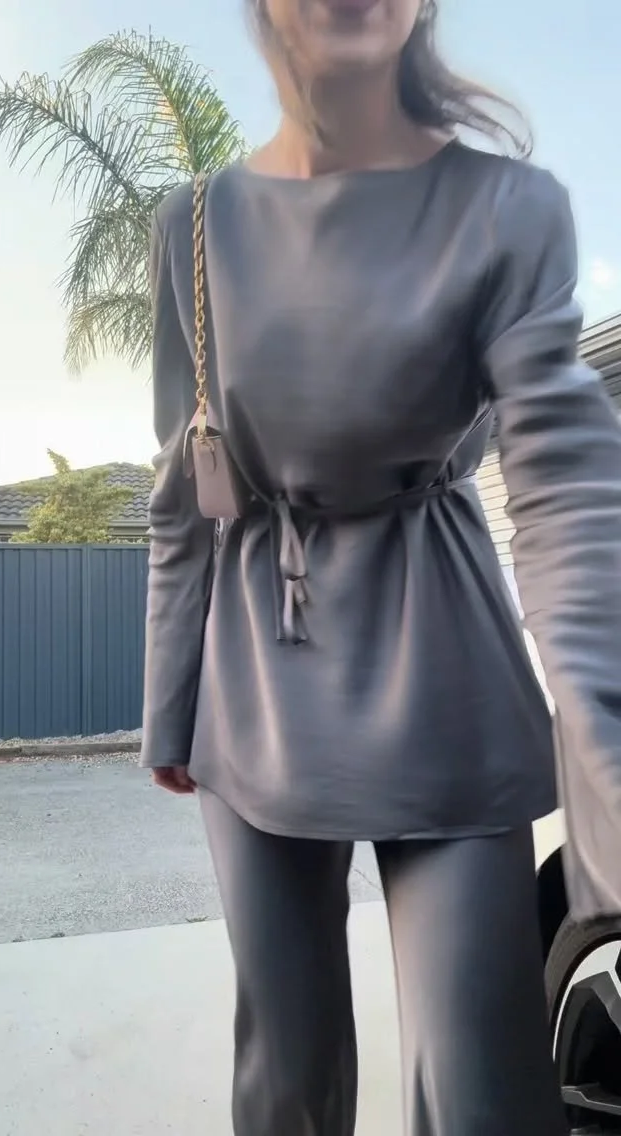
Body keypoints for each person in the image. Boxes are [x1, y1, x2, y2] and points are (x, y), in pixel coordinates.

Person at [140, 1, 621, 1133]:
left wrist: (600, 735)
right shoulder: (192, 224)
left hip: (445, 669)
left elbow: (563, 484)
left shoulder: (508, 208)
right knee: (286, 1074)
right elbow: (184, 484)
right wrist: (169, 705)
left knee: (478, 1084)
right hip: (254, 682)